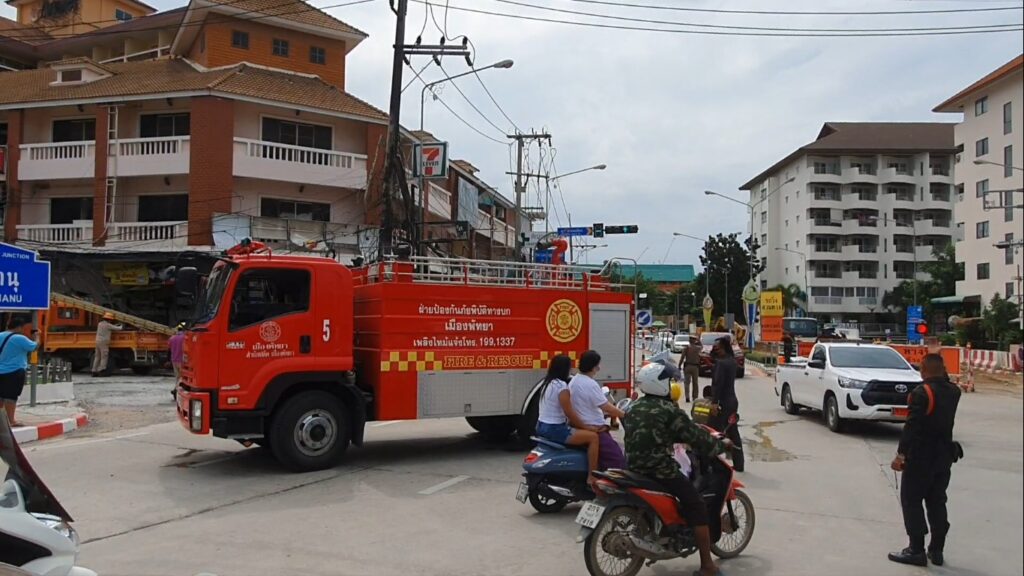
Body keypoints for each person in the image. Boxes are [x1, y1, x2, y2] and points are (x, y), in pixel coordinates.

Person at [624, 361, 728, 576]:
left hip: (633, 467)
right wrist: (719, 445)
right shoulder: (669, 410)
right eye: (669, 381)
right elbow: (696, 437)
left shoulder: (633, 406)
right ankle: (708, 566)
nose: (672, 385)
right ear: (659, 384)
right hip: (659, 470)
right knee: (697, 506)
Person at [889, 353, 962, 567]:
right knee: (937, 501)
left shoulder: (922, 393)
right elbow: (945, 380)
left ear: (923, 369)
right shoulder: (954, 392)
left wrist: (901, 455)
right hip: (944, 457)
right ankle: (937, 550)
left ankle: (916, 550)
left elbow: (912, 427)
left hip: (921, 458)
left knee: (911, 501)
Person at [534, 354, 602, 487]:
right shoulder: (561, 387)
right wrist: (587, 427)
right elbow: (569, 413)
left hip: (541, 426)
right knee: (593, 438)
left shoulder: (546, 383)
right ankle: (592, 476)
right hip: (554, 429)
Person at [569, 350, 626, 470]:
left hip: (581, 425)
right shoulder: (590, 384)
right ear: (593, 366)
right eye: (597, 365)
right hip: (594, 429)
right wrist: (624, 414)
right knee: (617, 459)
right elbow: (605, 406)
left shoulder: (574, 381)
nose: (599, 368)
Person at [711, 336, 744, 472]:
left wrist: (714, 403)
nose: (715, 350)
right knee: (733, 432)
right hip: (732, 401)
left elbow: (718, 384)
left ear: (723, 348)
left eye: (717, 348)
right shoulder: (731, 361)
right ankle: (739, 464)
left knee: (713, 433)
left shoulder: (721, 363)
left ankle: (714, 464)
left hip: (723, 403)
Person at [0, 317, 40, 427]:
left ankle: (1, 421)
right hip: (14, 371)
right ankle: (11, 421)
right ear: (18, 327)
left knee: (1, 397)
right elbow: (34, 347)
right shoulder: (19, 338)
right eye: (22, 328)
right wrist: (37, 337)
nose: (23, 330)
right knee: (11, 397)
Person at [92, 313, 123, 377]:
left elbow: (110, 326)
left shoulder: (100, 324)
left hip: (97, 341)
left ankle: (94, 370)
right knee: (104, 356)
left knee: (97, 356)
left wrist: (114, 325)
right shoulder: (108, 325)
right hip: (104, 342)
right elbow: (119, 328)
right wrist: (122, 324)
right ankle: (102, 370)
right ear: (109, 319)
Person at [677, 335, 701, 403]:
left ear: (689, 341)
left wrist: (679, 365)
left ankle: (687, 397)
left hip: (687, 366)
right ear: (694, 341)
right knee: (695, 383)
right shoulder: (698, 348)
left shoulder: (686, 348)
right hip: (695, 367)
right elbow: (702, 346)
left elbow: (682, 358)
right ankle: (695, 397)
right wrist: (698, 340)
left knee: (687, 383)